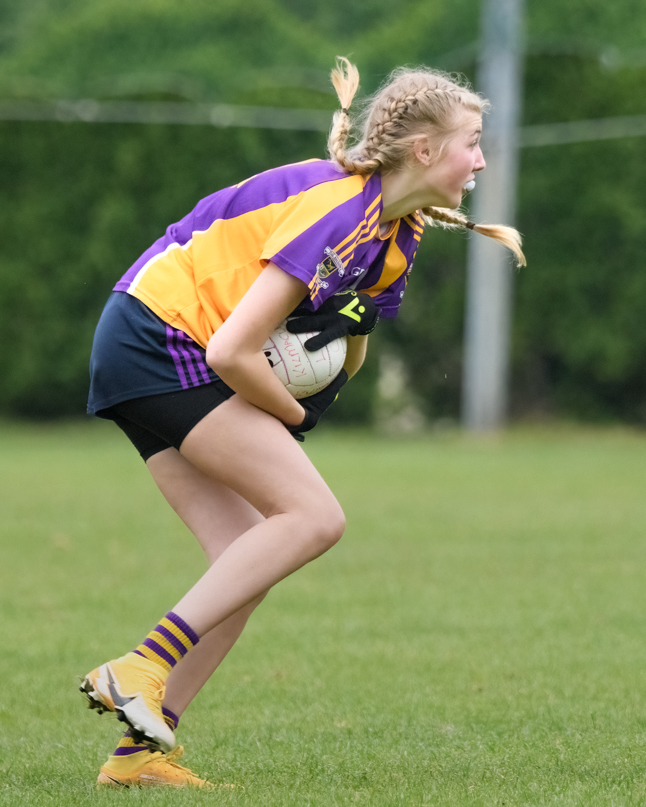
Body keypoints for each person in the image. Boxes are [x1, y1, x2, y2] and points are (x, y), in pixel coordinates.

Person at [80, 57, 525, 789]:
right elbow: (231, 349)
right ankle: (140, 666)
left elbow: (349, 347)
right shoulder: (341, 210)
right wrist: (289, 417)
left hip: (154, 340)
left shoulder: (397, 235)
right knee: (316, 516)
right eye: (472, 141)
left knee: (246, 555)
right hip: (160, 335)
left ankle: (138, 753)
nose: (481, 158)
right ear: (423, 150)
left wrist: (309, 404)